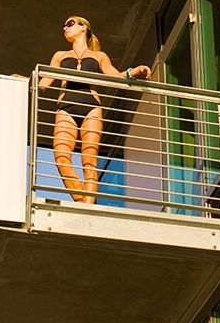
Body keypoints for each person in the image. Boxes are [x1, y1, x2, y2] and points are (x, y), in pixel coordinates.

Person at [39, 16, 151, 205]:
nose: (64, 28)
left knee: (89, 163)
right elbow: (43, 83)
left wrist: (135, 71)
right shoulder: (60, 55)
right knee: (61, 158)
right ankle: (83, 204)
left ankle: (87, 208)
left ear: (83, 27)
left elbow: (116, 77)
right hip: (65, 107)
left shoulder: (99, 56)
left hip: (92, 107)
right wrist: (26, 79)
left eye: (70, 23)